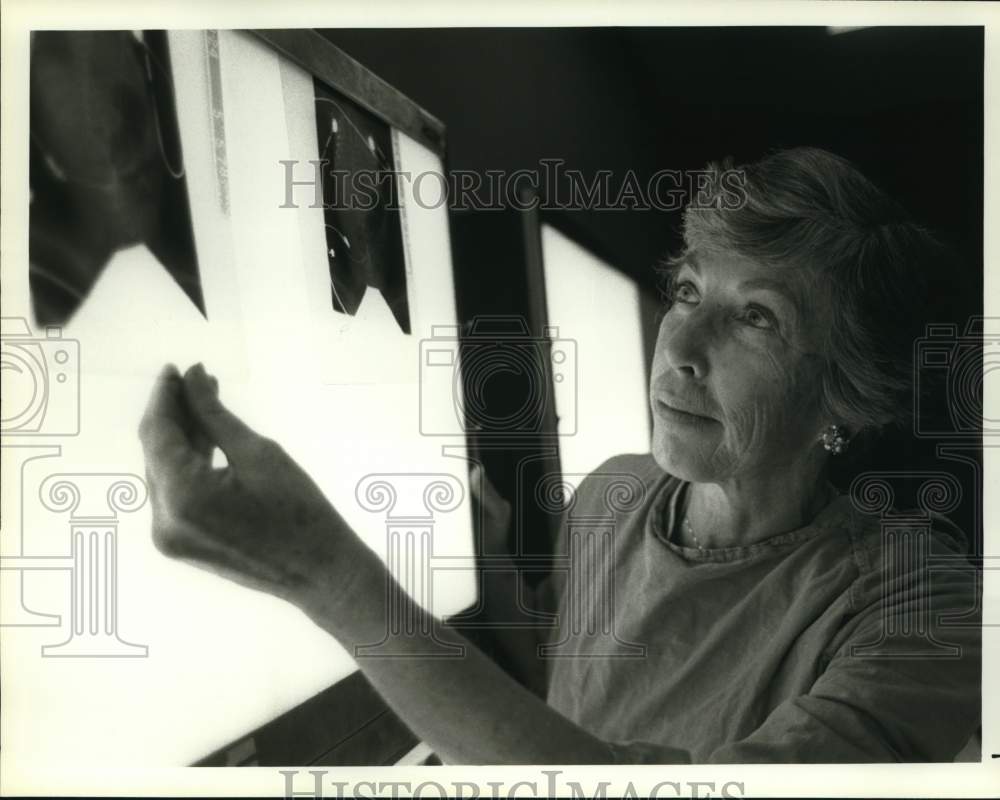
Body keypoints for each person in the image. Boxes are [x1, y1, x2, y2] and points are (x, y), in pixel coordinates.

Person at [138, 147, 981, 763]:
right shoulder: (613, 494)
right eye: (688, 290)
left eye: (755, 316)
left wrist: (326, 577)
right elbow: (570, 688)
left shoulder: (922, 609)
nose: (678, 341)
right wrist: (500, 574)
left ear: (847, 392)